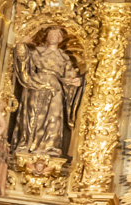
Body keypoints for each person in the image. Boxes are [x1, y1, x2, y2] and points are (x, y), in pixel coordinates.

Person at [11, 26, 82, 156]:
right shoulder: (37, 51)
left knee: (54, 116)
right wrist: (21, 43)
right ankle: (27, 144)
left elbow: (69, 76)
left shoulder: (64, 57)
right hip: (36, 84)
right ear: (46, 37)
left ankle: (49, 146)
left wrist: (75, 82)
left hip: (55, 87)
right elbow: (23, 59)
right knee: (33, 114)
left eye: (56, 35)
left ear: (60, 39)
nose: (53, 37)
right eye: (51, 34)